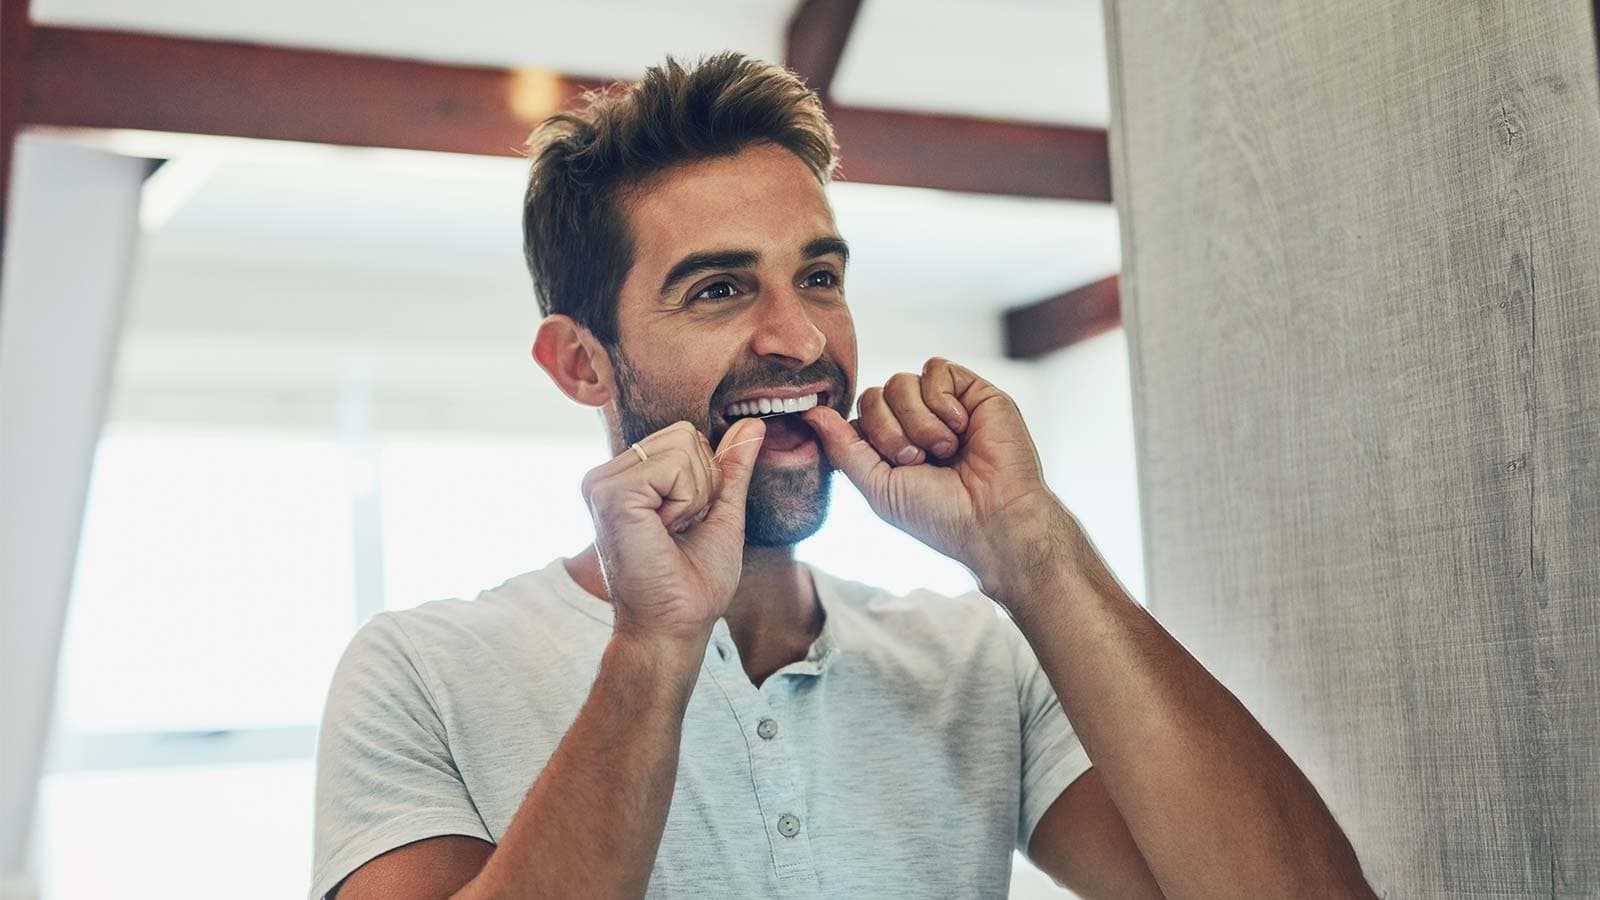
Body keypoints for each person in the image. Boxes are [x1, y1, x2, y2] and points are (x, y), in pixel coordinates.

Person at [309, 53, 1374, 900]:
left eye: (817, 276)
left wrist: (1030, 550)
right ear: (581, 362)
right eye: (720, 288)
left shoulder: (972, 663)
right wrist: (654, 647)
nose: (798, 335)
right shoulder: (418, 670)